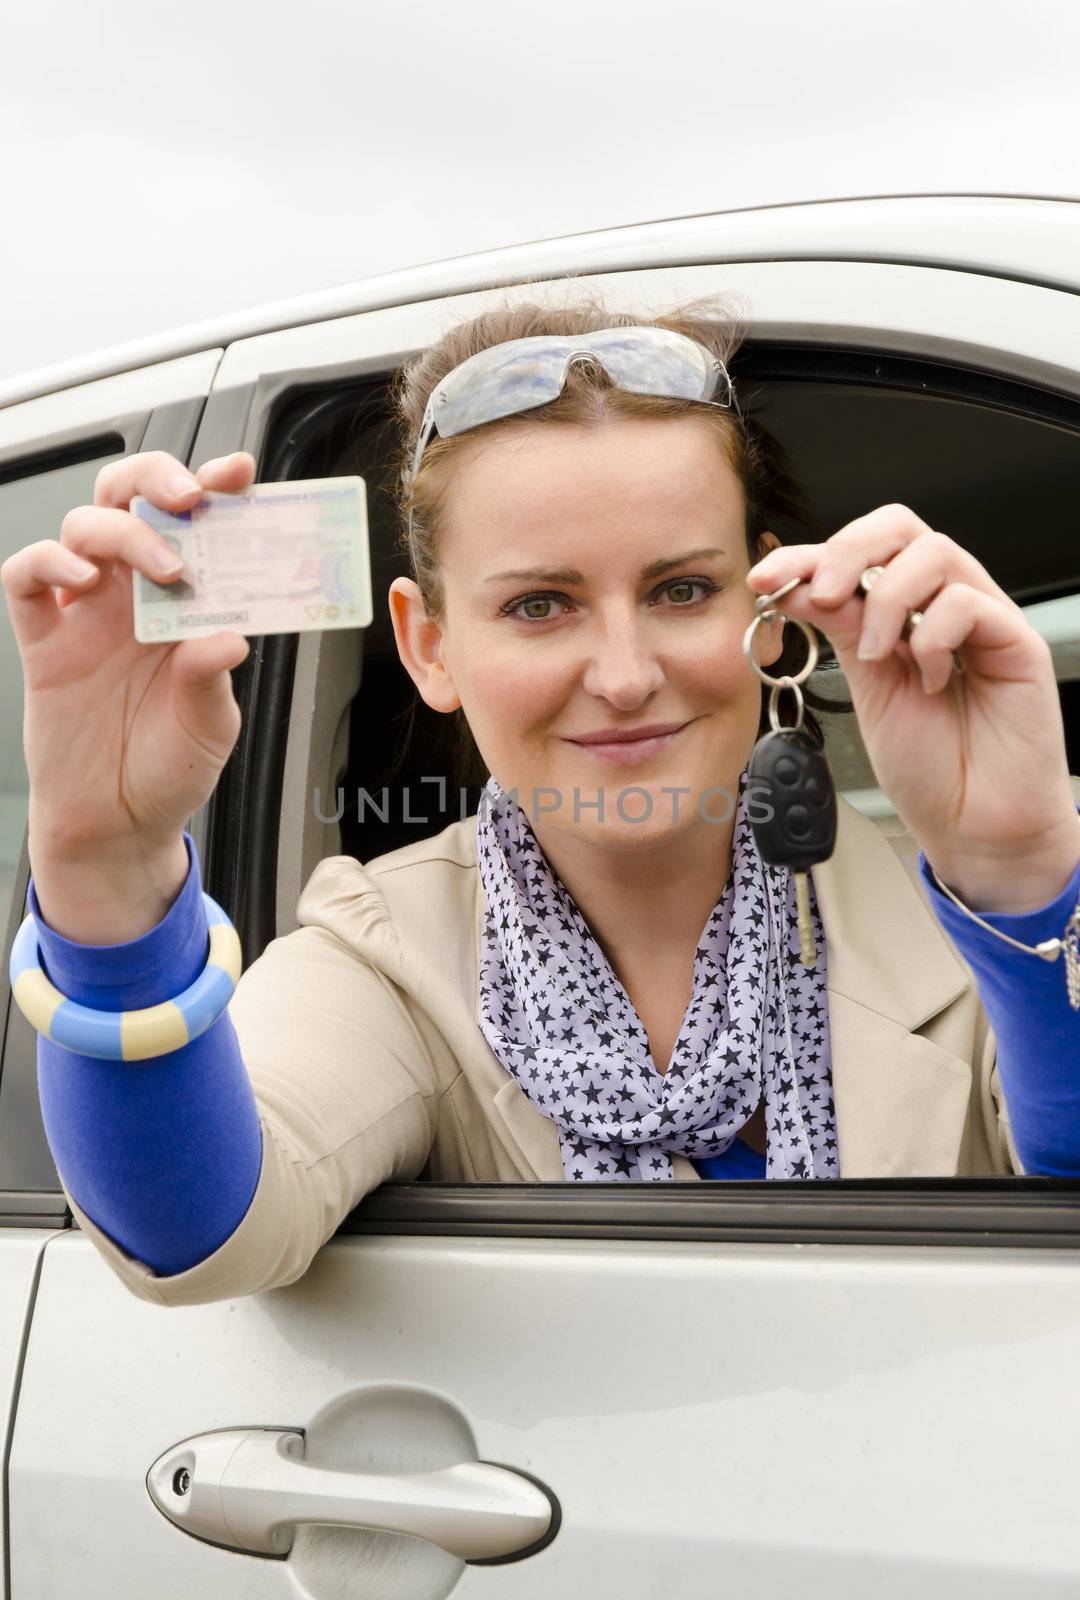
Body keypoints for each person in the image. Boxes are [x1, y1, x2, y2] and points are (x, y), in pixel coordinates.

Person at [4, 294, 1079, 1311]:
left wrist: (1023, 867)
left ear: (771, 601)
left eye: (681, 590)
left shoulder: (961, 918)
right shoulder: (394, 947)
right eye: (538, 605)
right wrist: (107, 866)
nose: (621, 672)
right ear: (430, 644)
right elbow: (192, 1233)